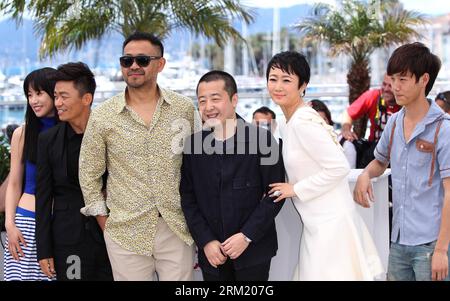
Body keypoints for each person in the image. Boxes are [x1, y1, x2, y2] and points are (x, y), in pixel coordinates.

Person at [79, 32, 199, 281]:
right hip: (124, 231)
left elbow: (199, 165)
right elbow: (89, 173)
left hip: (177, 227)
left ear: (160, 64)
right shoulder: (103, 115)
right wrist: (106, 225)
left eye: (142, 60)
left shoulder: (184, 108)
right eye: (127, 60)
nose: (133, 66)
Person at [266, 51, 383, 281]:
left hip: (331, 226)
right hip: (318, 224)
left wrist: (295, 189)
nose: (278, 86)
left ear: (303, 85)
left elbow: (339, 167)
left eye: (286, 80)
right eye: (273, 78)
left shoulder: (302, 122)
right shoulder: (287, 121)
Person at [354, 42, 450, 281]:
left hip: (431, 244)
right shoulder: (395, 122)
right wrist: (365, 175)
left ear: (423, 79)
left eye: (403, 79)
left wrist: (441, 250)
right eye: (393, 78)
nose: (395, 87)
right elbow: (380, 161)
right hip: (398, 241)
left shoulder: (443, 128)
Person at [180, 70, 285, 281]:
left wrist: (246, 236)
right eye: (202, 101)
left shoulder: (263, 140)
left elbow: (275, 193)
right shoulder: (192, 146)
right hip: (213, 255)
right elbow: (188, 198)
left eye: (215, 99)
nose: (208, 107)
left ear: (234, 99)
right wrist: (206, 241)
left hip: (254, 252)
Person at [35, 62, 113, 281]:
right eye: (55, 96)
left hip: (111, 237)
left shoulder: (110, 135)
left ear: (86, 99)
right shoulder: (48, 141)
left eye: (63, 96)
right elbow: (43, 198)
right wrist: (44, 250)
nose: (57, 103)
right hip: (68, 242)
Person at [3, 68, 58, 281]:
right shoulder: (22, 133)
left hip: (61, 222)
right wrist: (10, 224)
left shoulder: (71, 131)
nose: (33, 100)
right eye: (29, 95)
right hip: (26, 222)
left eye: (39, 93)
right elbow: (15, 183)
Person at [341, 74, 401, 142]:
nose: (386, 89)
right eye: (384, 84)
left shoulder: (406, 103)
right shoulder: (374, 96)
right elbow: (348, 114)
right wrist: (346, 130)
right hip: (374, 147)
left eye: (390, 86)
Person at [309, 99, 357, 168]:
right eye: (315, 120)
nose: (321, 124)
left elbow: (349, 176)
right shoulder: (303, 145)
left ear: (329, 120)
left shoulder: (345, 145)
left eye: (324, 119)